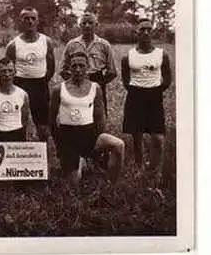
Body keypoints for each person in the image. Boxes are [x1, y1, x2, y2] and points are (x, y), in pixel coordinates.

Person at [50, 51, 125, 185]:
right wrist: (60, 146)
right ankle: (78, 162)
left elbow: (100, 119)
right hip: (68, 138)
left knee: (118, 145)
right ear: (69, 68)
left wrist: (102, 151)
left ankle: (112, 184)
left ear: (87, 68)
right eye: (74, 66)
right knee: (74, 183)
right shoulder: (58, 89)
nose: (78, 70)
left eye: (82, 66)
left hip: (89, 136)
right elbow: (51, 121)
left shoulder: (95, 88)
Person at [121, 19, 172, 178]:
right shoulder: (128, 56)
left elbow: (167, 78)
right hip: (135, 96)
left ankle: (156, 170)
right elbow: (125, 80)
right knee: (137, 135)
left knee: (158, 137)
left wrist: (155, 90)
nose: (145, 32)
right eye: (142, 29)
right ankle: (140, 168)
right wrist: (138, 91)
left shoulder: (161, 54)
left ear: (153, 32)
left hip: (154, 97)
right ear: (136, 32)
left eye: (149, 29)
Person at [5, 7, 55, 141]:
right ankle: (19, 149)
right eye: (26, 18)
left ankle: (42, 152)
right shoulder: (13, 45)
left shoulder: (47, 41)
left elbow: (51, 67)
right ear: (20, 21)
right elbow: (8, 69)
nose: (30, 21)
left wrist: (42, 80)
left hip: (40, 85)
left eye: (33, 18)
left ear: (37, 21)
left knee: (43, 124)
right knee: (18, 121)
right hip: (20, 84)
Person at [59, 12, 117, 117]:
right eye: (84, 23)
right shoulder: (72, 44)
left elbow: (112, 72)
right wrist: (72, 82)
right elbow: (62, 69)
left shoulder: (104, 45)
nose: (87, 26)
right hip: (76, 80)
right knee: (77, 113)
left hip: (97, 79)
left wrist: (99, 84)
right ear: (80, 25)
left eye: (90, 23)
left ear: (96, 25)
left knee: (98, 114)